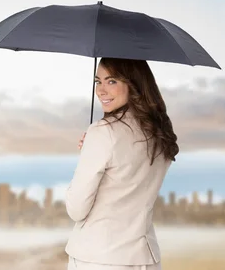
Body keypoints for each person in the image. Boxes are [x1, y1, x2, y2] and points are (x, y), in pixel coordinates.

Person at [65, 57, 179, 270]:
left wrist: (88, 155)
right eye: (98, 81)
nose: (100, 90)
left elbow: (76, 209)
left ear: (133, 83)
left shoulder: (102, 133)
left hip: (99, 258)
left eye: (112, 81)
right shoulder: (160, 133)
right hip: (145, 258)